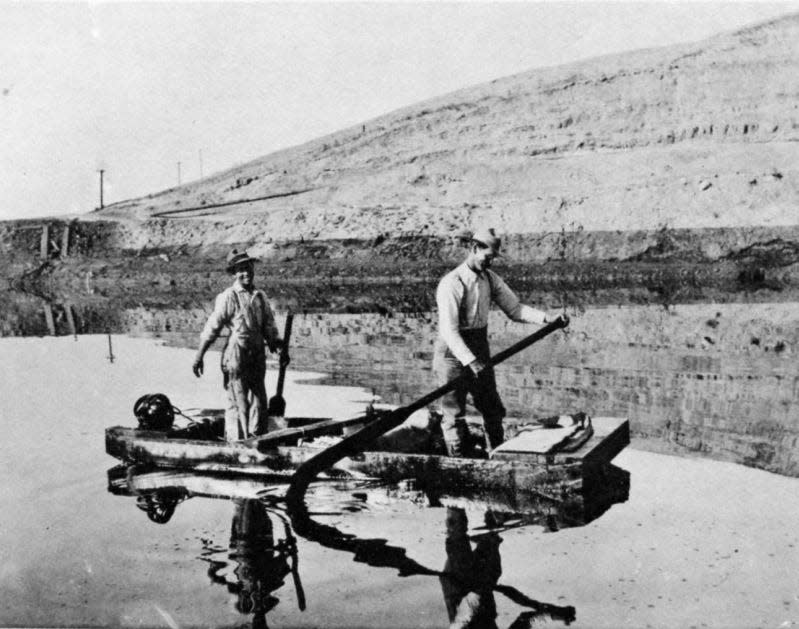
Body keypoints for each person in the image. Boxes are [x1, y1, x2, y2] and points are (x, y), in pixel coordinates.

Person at [433, 228, 567, 456]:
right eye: (488, 256)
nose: (491, 261)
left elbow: (515, 309)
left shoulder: (490, 279)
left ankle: (497, 454)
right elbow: (449, 330)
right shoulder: (452, 283)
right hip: (452, 354)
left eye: (494, 257)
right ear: (474, 249)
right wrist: (470, 361)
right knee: (454, 413)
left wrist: (547, 319)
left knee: (492, 408)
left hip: (478, 346)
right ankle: (457, 461)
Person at [193, 249, 282, 441]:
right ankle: (238, 442)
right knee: (238, 400)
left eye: (248, 268)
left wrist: (276, 344)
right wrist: (199, 356)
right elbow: (213, 327)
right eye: (241, 270)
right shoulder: (229, 296)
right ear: (234, 273)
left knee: (259, 399)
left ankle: (258, 438)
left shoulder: (260, 296)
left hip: (257, 353)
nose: (246, 273)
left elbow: (268, 325)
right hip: (236, 354)